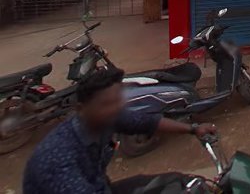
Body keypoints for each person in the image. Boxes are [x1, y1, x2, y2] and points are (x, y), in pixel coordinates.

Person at [23, 67, 216, 194]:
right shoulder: (57, 158)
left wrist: (193, 128)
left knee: (177, 183)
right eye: (106, 104)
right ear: (81, 109)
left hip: (100, 187)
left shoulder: (106, 118)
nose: (116, 108)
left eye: (118, 101)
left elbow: (146, 122)